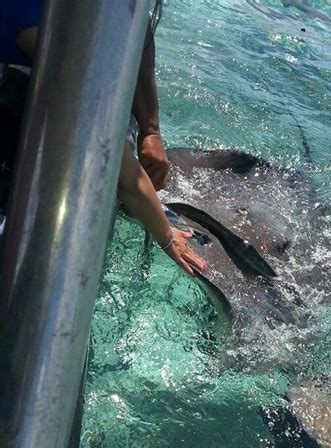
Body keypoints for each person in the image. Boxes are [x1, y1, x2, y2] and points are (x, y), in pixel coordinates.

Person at [0, 0, 206, 275]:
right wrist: (166, 234)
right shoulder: (37, 25)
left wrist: (151, 131)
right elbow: (104, 154)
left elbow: (138, 28)